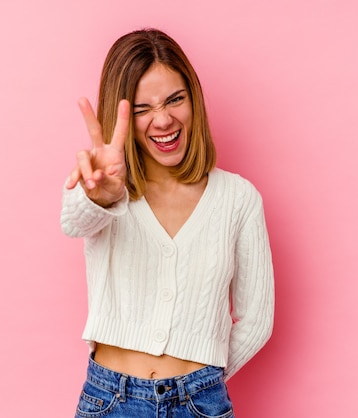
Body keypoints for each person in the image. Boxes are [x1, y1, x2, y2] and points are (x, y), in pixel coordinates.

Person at [61, 28, 274, 418]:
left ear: (193, 99)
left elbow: (257, 320)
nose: (163, 120)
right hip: (110, 401)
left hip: (201, 404)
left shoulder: (238, 198)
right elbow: (73, 222)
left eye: (175, 99)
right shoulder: (106, 186)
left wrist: (202, 379)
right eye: (143, 109)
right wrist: (101, 196)